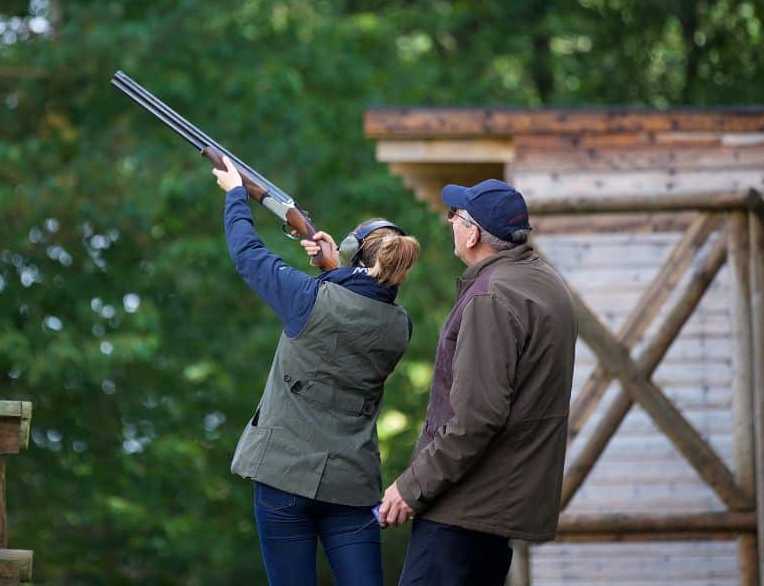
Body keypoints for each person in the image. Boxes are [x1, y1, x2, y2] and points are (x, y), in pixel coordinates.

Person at [213, 156, 420, 586]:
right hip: (352, 486)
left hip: (283, 478)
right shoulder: (400, 327)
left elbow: (247, 254)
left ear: (352, 255)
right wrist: (335, 271)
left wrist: (236, 195)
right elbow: (362, 305)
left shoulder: (308, 301)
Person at [375, 179, 578, 586]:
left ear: (473, 234)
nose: (449, 221)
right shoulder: (545, 284)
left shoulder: (492, 297)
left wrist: (410, 487)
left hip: (460, 516)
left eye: (456, 215)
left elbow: (476, 419)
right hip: (495, 515)